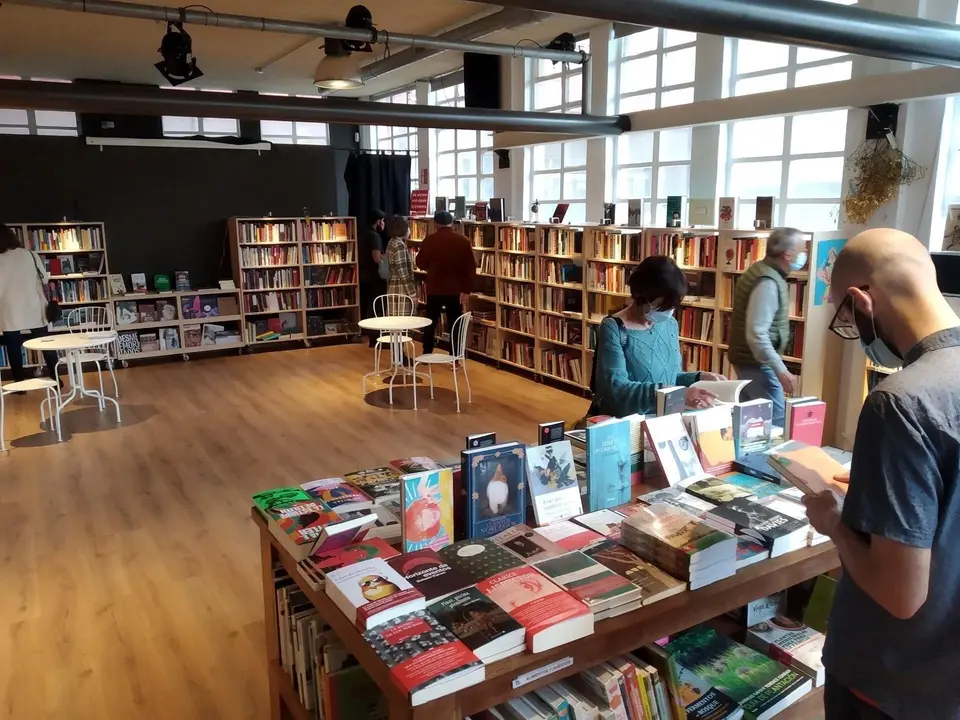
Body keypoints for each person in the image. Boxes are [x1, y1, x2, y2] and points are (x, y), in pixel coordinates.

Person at [803, 228, 960, 720]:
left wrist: (834, 523)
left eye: (845, 319)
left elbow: (901, 594)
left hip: (891, 681)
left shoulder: (900, 402)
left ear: (860, 300)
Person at [592, 255, 723, 417]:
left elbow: (668, 378)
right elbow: (617, 390)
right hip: (631, 424)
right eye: (662, 306)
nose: (667, 312)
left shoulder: (670, 324)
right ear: (642, 295)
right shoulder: (614, 328)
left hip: (667, 420)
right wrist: (679, 393)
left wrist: (698, 378)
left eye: (672, 306)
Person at [727, 227, 808, 427]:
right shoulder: (767, 282)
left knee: (750, 423)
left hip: (751, 361)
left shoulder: (763, 271)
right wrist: (780, 370)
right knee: (775, 424)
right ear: (788, 254)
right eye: (802, 250)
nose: (805, 255)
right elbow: (757, 333)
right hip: (756, 363)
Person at [0, 223, 59, 387]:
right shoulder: (30, 255)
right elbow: (44, 279)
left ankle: (19, 383)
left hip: (9, 308)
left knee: (13, 345)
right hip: (34, 305)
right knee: (45, 343)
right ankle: (56, 377)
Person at [415, 211, 477, 356]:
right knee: (455, 323)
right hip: (455, 290)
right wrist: (466, 290)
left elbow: (421, 264)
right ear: (452, 222)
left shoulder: (430, 240)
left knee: (430, 322)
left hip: (434, 289)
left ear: (435, 224)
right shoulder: (463, 241)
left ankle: (427, 353)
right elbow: (470, 268)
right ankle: (455, 358)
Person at [358, 209, 386, 347]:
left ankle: (368, 334)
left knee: (367, 305)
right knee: (377, 306)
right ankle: (376, 337)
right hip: (374, 276)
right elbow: (376, 258)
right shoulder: (375, 236)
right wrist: (384, 258)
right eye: (382, 221)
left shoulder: (362, 234)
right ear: (378, 221)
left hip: (362, 274)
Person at [383, 215, 417, 315]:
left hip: (392, 287)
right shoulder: (399, 245)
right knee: (403, 323)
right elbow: (403, 272)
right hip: (401, 290)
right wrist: (412, 293)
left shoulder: (391, 242)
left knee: (395, 324)